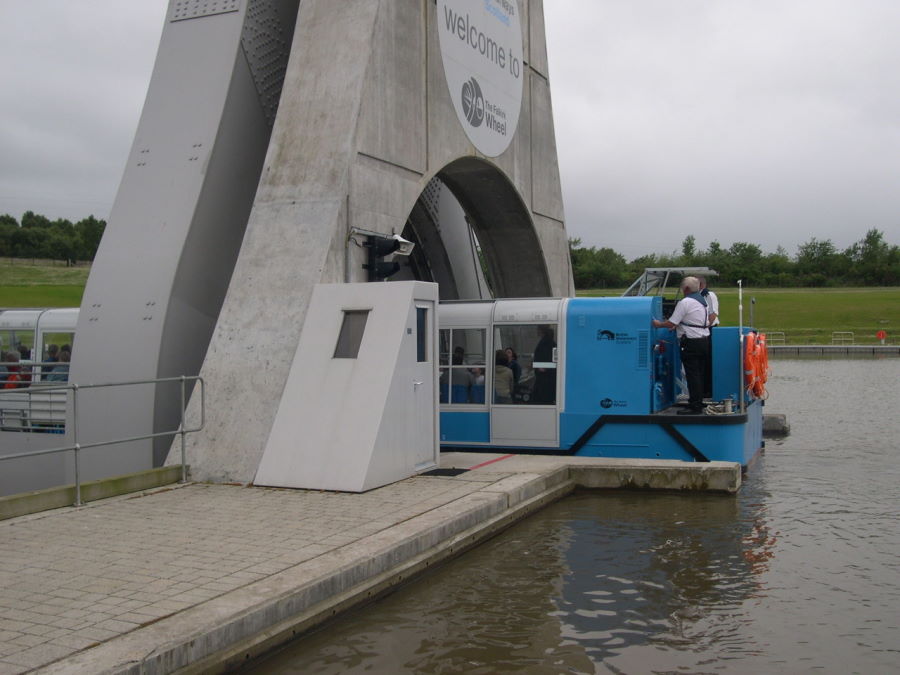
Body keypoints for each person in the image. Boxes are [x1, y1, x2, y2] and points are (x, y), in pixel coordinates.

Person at [652, 276, 709, 414]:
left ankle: (695, 406)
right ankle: (698, 402)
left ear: (687, 289)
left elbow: (671, 322)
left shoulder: (685, 302)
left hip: (691, 342)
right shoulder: (702, 302)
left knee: (692, 374)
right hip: (704, 340)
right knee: (699, 373)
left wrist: (659, 324)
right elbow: (691, 319)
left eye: (682, 289)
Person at [698, 276, 719, 398]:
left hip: (709, 329)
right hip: (702, 330)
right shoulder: (696, 296)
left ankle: (709, 390)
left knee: (708, 360)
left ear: (701, 284)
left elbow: (713, 313)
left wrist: (705, 328)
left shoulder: (709, 295)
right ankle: (703, 389)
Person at [531, 325, 556, 404]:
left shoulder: (545, 344)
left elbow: (545, 360)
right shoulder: (551, 343)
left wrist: (540, 367)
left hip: (544, 381)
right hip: (549, 380)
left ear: (541, 330)